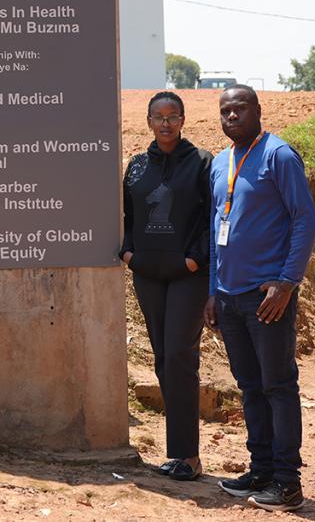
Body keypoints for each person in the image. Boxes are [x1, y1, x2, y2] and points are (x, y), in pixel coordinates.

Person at [204, 85, 315, 512]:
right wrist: (213, 291)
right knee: (250, 387)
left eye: (240, 109)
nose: (232, 116)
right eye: (225, 111)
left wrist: (286, 283)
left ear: (257, 110)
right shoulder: (221, 162)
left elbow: (305, 219)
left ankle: (288, 484)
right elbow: (216, 229)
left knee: (277, 386)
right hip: (229, 298)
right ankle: (262, 470)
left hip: (267, 297)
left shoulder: (278, 155)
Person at [120, 91, 212, 481]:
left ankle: (189, 457)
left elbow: (213, 217)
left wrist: (194, 258)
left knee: (178, 355)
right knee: (162, 358)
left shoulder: (202, 163)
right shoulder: (137, 166)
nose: (165, 123)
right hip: (148, 274)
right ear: (148, 122)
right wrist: (129, 253)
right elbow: (126, 213)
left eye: (173, 116)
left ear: (183, 120)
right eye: (158, 117)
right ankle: (178, 454)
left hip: (189, 275)